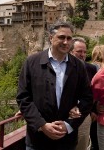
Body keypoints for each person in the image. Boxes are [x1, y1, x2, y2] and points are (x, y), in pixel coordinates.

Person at [16, 21, 93, 150]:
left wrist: (68, 125)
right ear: (51, 38)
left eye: (69, 38)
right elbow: (23, 98)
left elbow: (87, 98)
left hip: (66, 141)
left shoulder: (78, 66)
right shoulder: (32, 62)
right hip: (37, 140)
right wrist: (42, 125)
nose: (66, 42)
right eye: (62, 37)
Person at [70, 37, 97, 150]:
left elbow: (95, 91)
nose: (83, 54)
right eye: (79, 51)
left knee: (82, 144)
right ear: (71, 52)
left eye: (85, 52)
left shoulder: (91, 68)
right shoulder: (62, 68)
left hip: (84, 115)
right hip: (64, 115)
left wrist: (94, 110)